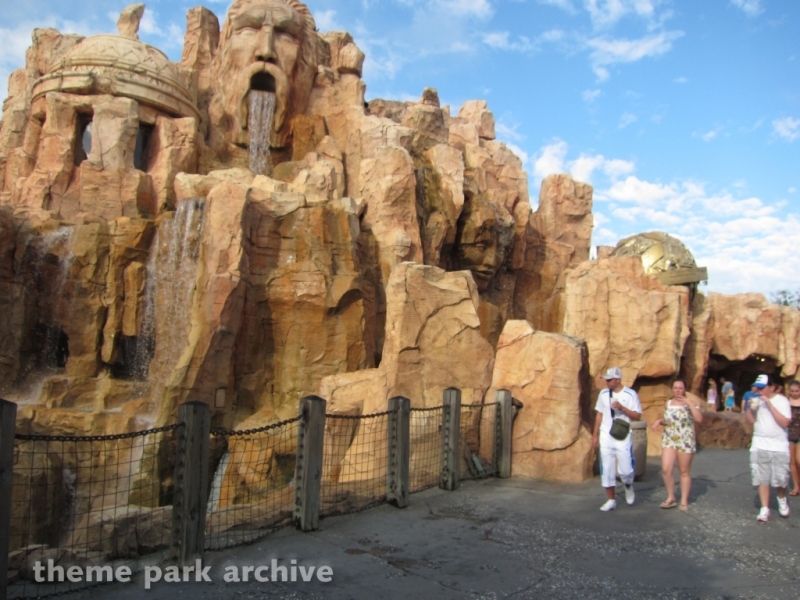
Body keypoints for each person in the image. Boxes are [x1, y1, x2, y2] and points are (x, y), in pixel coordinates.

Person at [591, 367, 643, 512]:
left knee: (626, 471)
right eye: (606, 379)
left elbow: (637, 416)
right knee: (607, 469)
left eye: (610, 379)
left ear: (618, 380)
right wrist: (595, 435)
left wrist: (622, 408)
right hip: (606, 435)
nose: (607, 382)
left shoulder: (630, 394)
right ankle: (611, 500)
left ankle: (628, 485)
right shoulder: (603, 394)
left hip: (622, 435)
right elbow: (599, 414)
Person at [650, 380, 704, 511]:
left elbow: (699, 419)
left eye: (680, 388)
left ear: (684, 389)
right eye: (675, 388)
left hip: (685, 439)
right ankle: (671, 497)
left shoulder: (690, 403)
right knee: (666, 469)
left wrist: (689, 403)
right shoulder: (668, 403)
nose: (678, 390)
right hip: (670, 438)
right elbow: (669, 420)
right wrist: (659, 421)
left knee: (684, 471)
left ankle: (684, 500)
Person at [745, 374, 792, 522]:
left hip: (778, 444)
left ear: (771, 387)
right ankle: (764, 508)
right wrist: (749, 409)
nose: (758, 391)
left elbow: (785, 422)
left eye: (761, 388)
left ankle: (781, 498)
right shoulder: (757, 400)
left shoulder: (782, 401)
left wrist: (770, 405)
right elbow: (750, 421)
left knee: (781, 478)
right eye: (757, 388)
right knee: (762, 476)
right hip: (760, 442)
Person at [788, 380, 800, 497]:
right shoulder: (786, 402)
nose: (795, 393)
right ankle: (796, 486)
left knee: (799, 459)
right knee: (792, 462)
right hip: (789, 434)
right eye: (792, 391)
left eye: (797, 391)